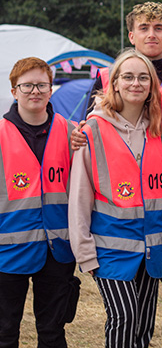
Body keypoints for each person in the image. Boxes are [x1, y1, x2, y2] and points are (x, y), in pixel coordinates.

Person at [82, 1, 162, 348]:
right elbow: (84, 140)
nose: (151, 34)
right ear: (131, 34)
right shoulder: (106, 79)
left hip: (161, 224)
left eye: (158, 28)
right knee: (124, 317)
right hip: (115, 234)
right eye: (143, 27)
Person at [69, 49, 162, 348]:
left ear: (151, 85)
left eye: (142, 77)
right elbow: (80, 193)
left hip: (152, 246)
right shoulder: (94, 128)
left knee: (144, 324)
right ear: (115, 83)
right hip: (110, 247)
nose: (135, 83)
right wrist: (84, 251)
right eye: (127, 76)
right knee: (123, 317)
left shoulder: (159, 129)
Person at [0, 57, 78, 348]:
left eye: (41, 85)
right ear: (14, 91)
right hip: (8, 250)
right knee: (5, 332)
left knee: (52, 333)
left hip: (58, 247)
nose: (35, 91)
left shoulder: (73, 133)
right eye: (27, 85)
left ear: (51, 88)